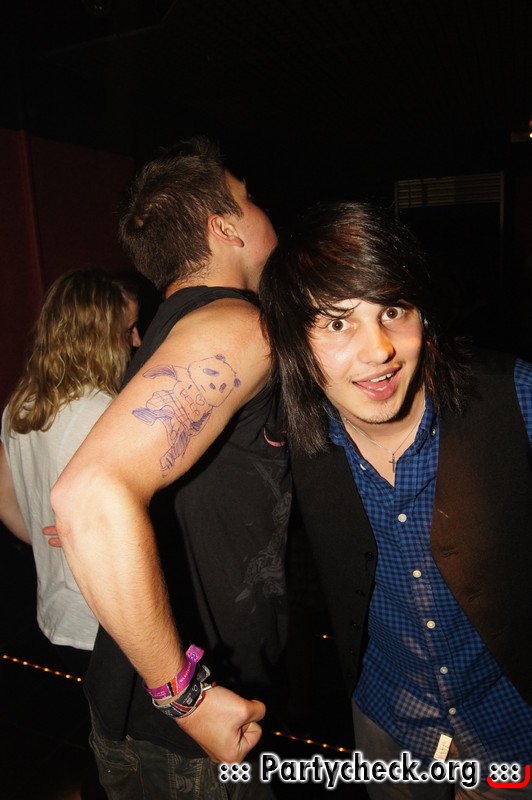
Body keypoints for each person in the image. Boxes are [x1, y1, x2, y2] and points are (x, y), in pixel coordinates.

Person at [259, 200, 532, 799]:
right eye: (336, 323)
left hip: (512, 727)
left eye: (392, 310)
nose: (378, 349)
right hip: (389, 723)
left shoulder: (513, 396)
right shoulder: (294, 441)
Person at [50, 137, 290, 798]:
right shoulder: (237, 329)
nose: (264, 210)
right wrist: (186, 697)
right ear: (225, 227)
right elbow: (88, 496)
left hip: (130, 705)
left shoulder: (168, 332)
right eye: (249, 199)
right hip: (191, 735)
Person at [0, 268, 132, 676]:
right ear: (99, 336)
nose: (137, 341)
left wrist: (46, 536)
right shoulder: (107, 413)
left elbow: (4, 499)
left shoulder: (22, 404)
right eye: (127, 330)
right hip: (110, 618)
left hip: (58, 612)